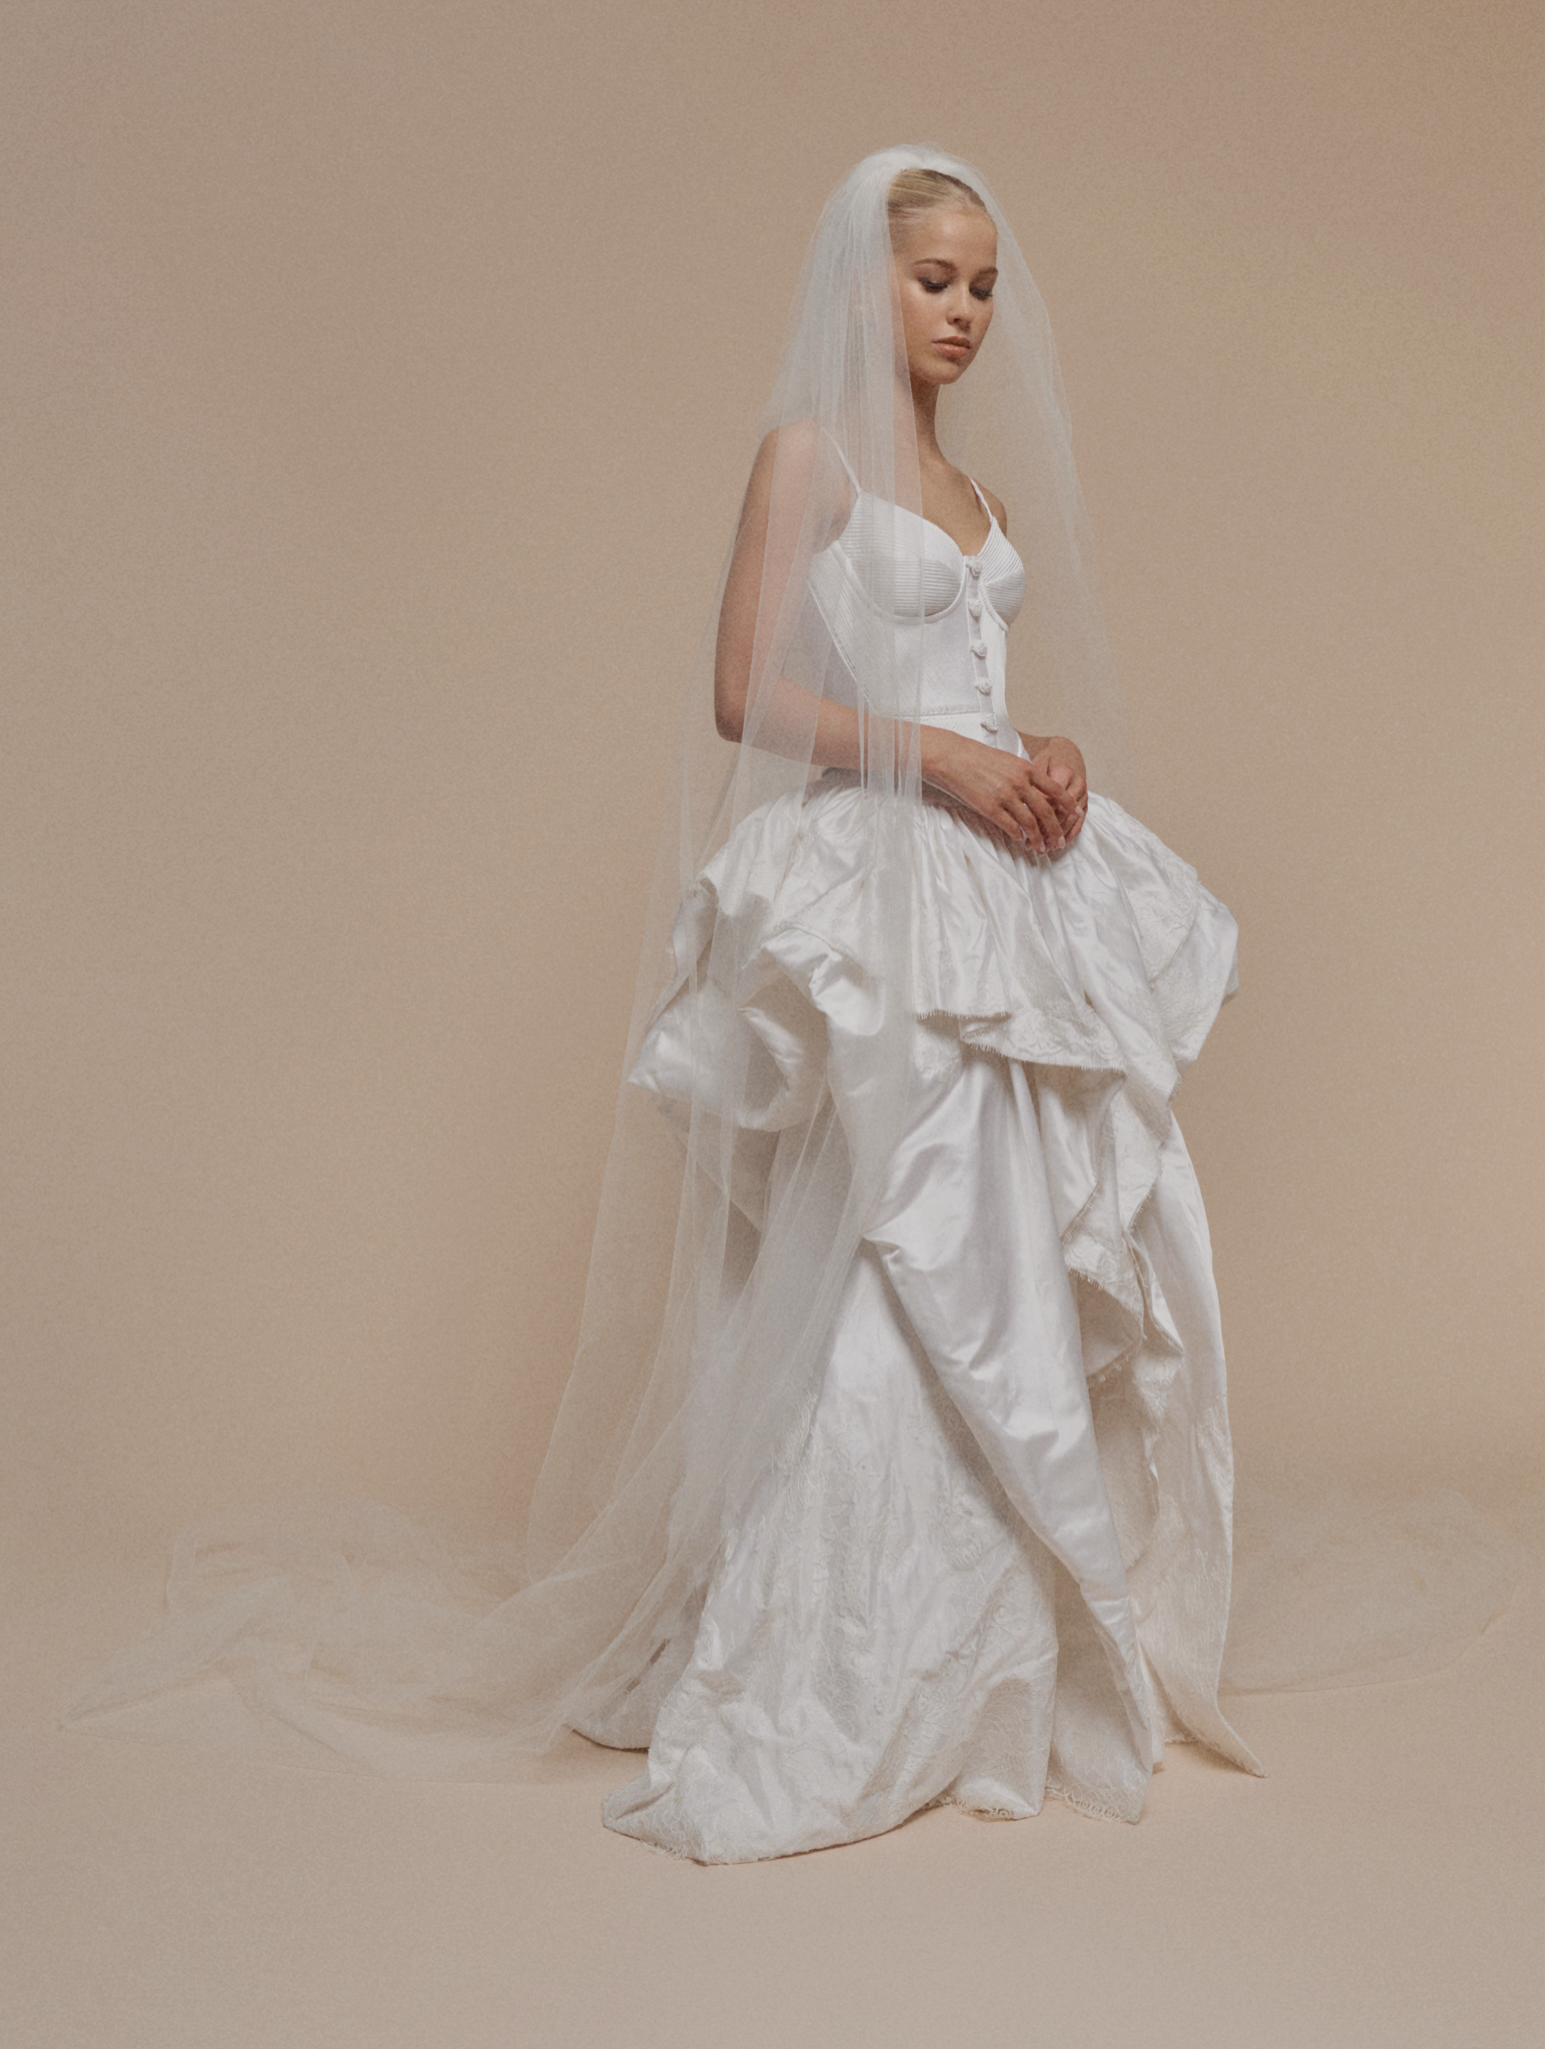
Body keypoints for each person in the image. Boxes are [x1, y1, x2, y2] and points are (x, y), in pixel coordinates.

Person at [66, 147, 1268, 1860]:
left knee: (1012, 1242)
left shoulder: (973, 493)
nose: (969, 314)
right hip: (887, 879)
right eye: (938, 280)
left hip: (999, 894)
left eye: (987, 285)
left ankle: (1001, 1654)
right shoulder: (807, 457)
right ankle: (842, 1668)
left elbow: (988, 688)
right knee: (896, 1252)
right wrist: (931, 758)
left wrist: (1038, 752)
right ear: (865, 283)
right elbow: (742, 693)